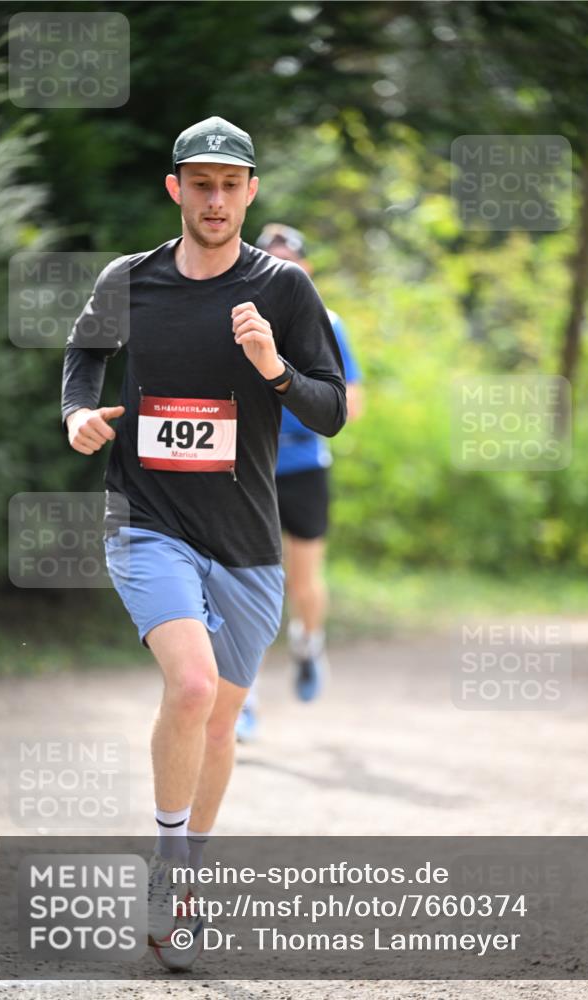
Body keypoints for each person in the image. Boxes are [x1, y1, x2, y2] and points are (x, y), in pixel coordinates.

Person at [61, 117, 346, 968]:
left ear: (250, 192)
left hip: (247, 541)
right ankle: (167, 866)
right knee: (190, 688)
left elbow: (331, 408)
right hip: (146, 519)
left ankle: (185, 870)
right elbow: (84, 352)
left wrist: (273, 368)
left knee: (220, 725)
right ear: (175, 189)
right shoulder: (129, 278)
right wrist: (77, 413)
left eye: (230, 185)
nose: (215, 199)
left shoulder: (283, 290)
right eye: (200, 183)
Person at [235, 225, 363, 742]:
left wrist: (296, 393)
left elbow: (351, 404)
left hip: (305, 466)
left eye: (290, 260)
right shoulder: (238, 320)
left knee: (303, 582)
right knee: (247, 581)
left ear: (306, 269)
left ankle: (309, 642)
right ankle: (244, 699)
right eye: (271, 259)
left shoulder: (328, 324)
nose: (282, 268)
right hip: (251, 464)